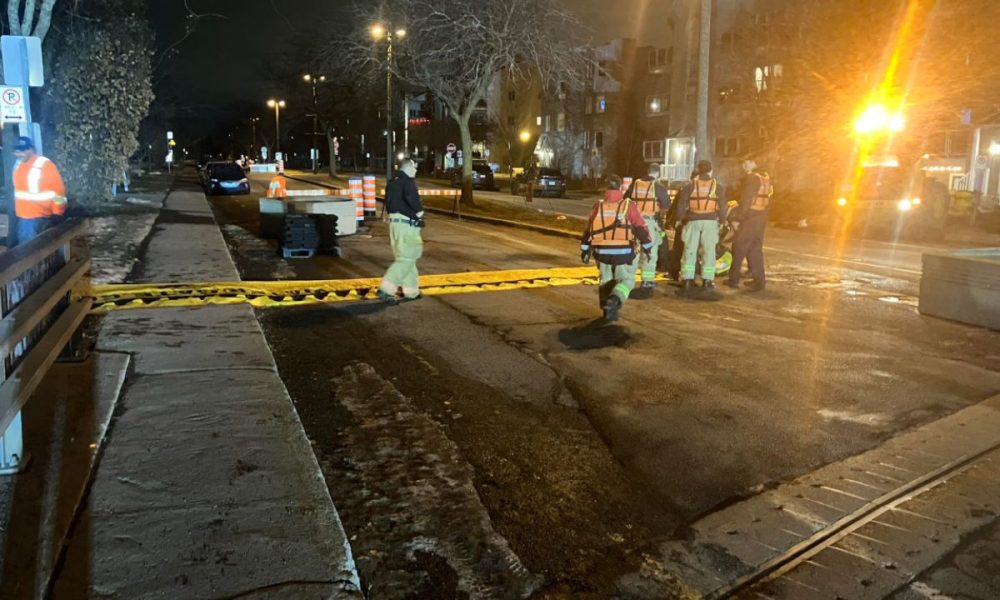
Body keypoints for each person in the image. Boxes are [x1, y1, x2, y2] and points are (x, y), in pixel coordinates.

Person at [580, 174, 653, 321]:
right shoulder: (628, 205)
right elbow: (640, 227)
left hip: (602, 253)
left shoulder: (598, 206)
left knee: (605, 280)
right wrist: (648, 247)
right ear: (620, 188)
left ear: (605, 188)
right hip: (624, 253)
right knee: (627, 281)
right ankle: (615, 299)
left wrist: (585, 250)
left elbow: (588, 231)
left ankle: (607, 312)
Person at [675, 160, 727, 297]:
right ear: (710, 170)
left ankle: (687, 281)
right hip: (710, 222)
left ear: (698, 170)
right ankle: (707, 281)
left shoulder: (691, 185)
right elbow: (723, 205)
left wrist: (680, 219)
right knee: (709, 251)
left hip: (693, 220)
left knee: (690, 251)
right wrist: (723, 221)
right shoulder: (717, 186)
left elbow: (681, 203)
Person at [377, 158, 425, 304]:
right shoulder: (408, 181)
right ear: (408, 167)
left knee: (406, 258)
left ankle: (412, 292)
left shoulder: (392, 182)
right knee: (408, 257)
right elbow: (412, 199)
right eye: (414, 168)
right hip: (406, 226)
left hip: (394, 225)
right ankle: (386, 289)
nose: (416, 171)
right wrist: (419, 213)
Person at [623, 162, 671, 297]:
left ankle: (627, 281)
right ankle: (647, 283)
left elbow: (625, 200)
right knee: (650, 253)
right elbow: (666, 205)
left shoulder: (635, 184)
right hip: (649, 223)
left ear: (647, 171)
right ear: (657, 174)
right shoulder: (657, 187)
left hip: (633, 223)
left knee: (634, 252)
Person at [12, 136, 67, 245]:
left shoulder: (45, 165)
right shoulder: (18, 165)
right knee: (28, 250)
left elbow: (59, 191)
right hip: (23, 216)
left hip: (39, 216)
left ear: (31, 150)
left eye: (22, 151)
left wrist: (58, 213)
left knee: (31, 250)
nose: (19, 154)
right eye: (17, 151)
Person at [727, 159, 771, 291]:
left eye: (748, 162)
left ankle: (733, 280)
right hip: (761, 216)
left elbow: (746, 200)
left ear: (755, 164)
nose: (744, 165)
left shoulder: (752, 179)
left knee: (739, 246)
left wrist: (738, 218)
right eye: (743, 162)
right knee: (755, 248)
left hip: (750, 216)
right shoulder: (766, 178)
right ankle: (759, 281)